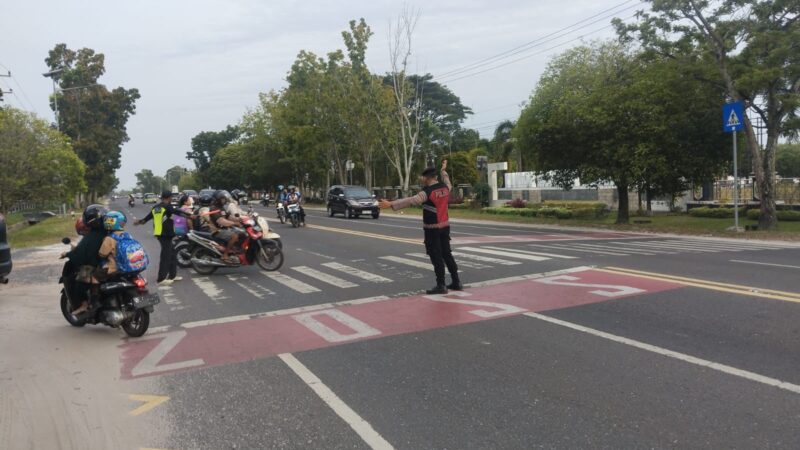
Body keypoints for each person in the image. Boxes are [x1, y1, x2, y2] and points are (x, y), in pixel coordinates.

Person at [379, 159, 461, 294]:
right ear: (435, 177)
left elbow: (411, 200)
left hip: (432, 229)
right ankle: (456, 281)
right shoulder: (445, 188)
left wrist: (391, 204)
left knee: (436, 256)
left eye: (423, 177)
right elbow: (448, 182)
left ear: (427, 178)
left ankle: (441, 285)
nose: (422, 179)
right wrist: (443, 170)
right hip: (445, 227)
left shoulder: (427, 192)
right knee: (447, 254)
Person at [135, 190, 192, 285]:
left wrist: (139, 222)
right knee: (166, 256)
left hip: (161, 234)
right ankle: (161, 279)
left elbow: (146, 219)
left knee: (172, 253)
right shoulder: (167, 207)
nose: (171, 199)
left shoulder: (155, 208)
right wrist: (190, 216)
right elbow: (178, 212)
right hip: (166, 234)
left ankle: (172, 275)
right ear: (168, 198)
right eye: (171, 197)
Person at [63, 204, 108, 315]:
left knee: (80, 281)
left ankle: (85, 304)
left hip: (98, 265)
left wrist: (68, 254)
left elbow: (82, 256)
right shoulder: (108, 231)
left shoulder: (92, 237)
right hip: (112, 263)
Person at [98, 210, 149, 280]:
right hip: (130, 268)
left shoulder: (109, 238)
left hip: (114, 269)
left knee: (94, 278)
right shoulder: (127, 235)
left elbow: (102, 254)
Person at [209, 190, 242, 263]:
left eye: (224, 198)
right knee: (234, 236)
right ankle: (225, 255)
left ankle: (234, 251)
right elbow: (221, 221)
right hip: (216, 231)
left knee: (240, 232)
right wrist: (234, 223)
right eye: (222, 198)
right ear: (218, 199)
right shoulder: (214, 208)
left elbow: (228, 216)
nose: (224, 200)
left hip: (223, 229)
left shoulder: (221, 208)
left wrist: (239, 219)